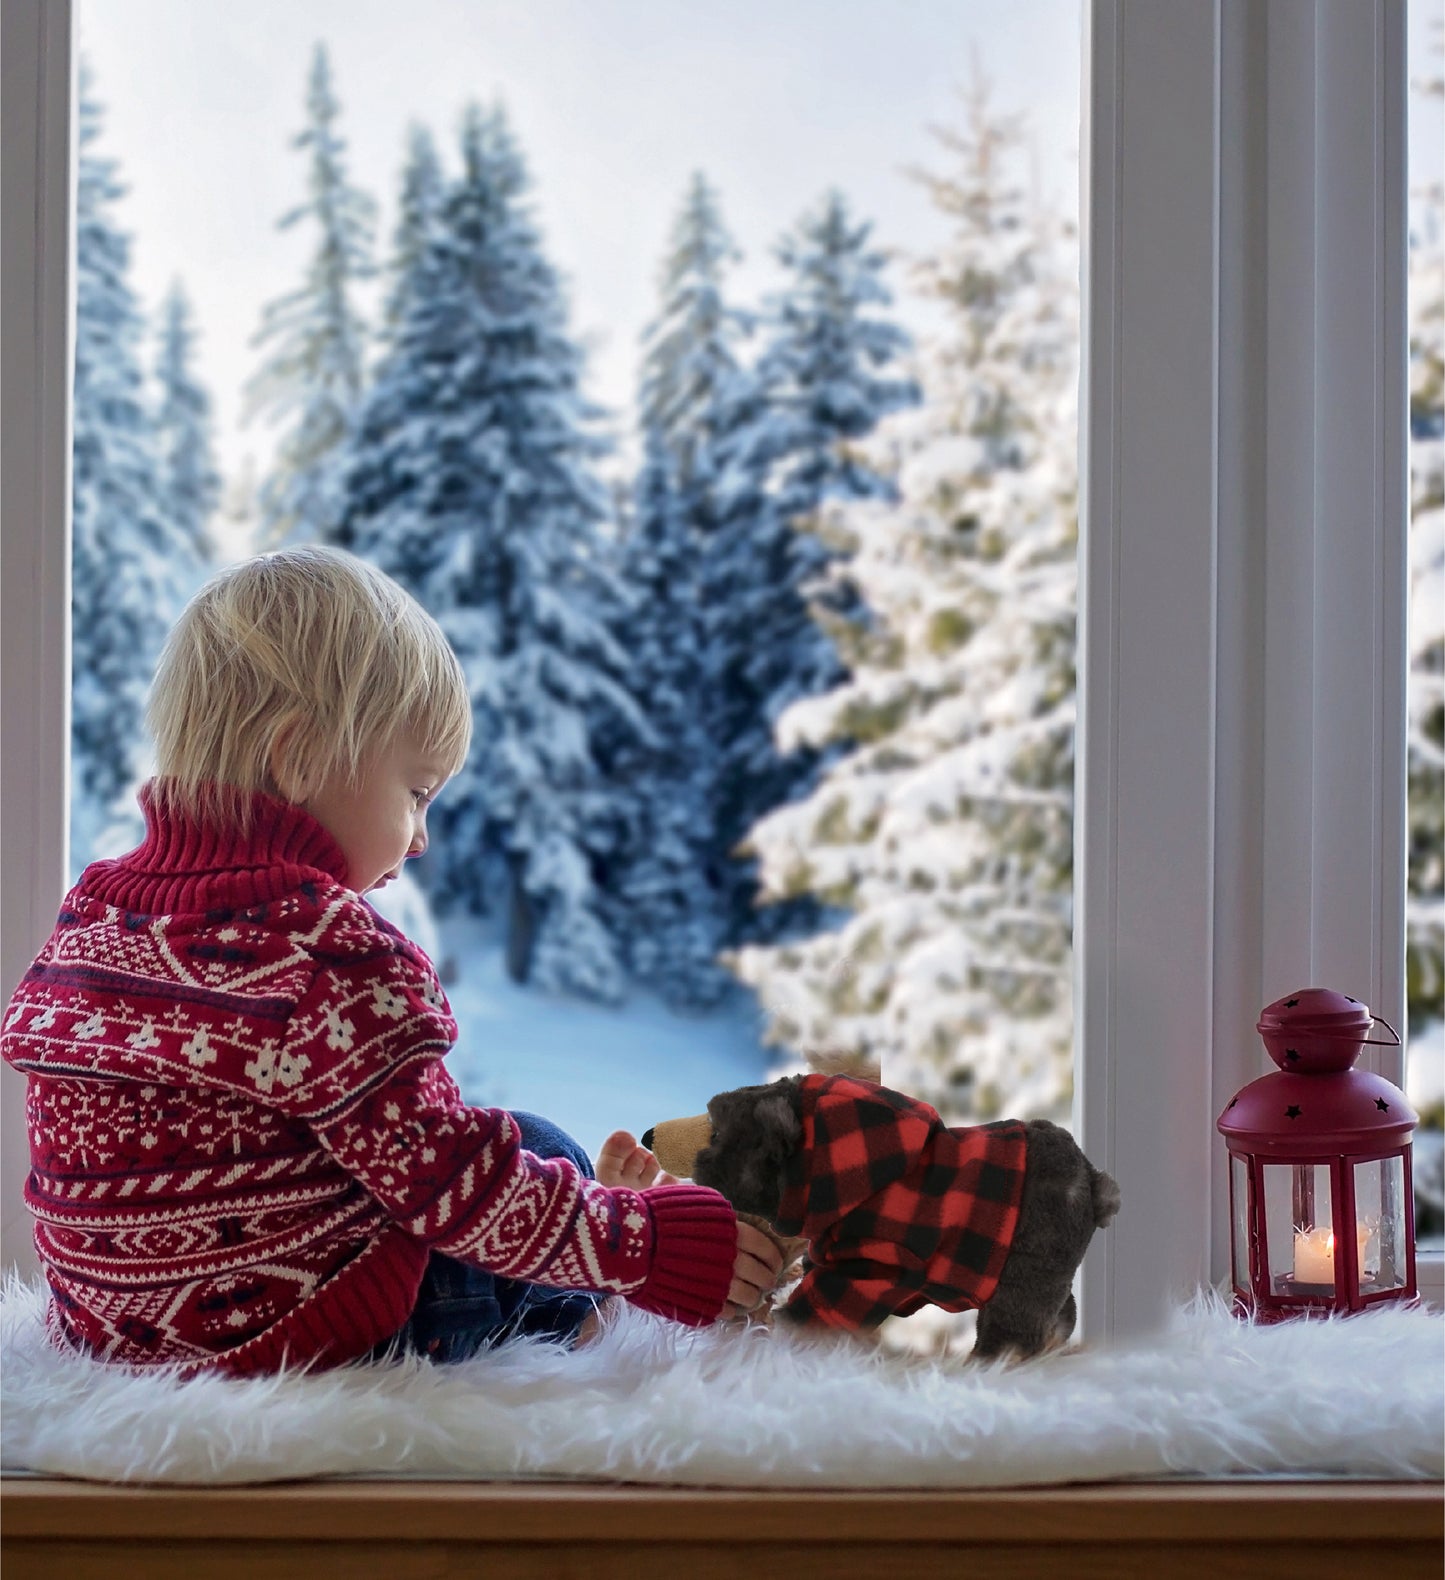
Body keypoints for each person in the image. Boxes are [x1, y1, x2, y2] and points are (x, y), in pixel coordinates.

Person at [1, 546, 780, 1374]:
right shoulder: (332, 954)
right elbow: (451, 1187)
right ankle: (587, 1298)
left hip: (108, 1331)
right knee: (537, 1145)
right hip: (304, 1334)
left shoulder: (94, 912)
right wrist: (649, 1246)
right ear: (297, 757)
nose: (419, 838)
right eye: (414, 792)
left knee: (482, 1153)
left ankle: (585, 1240)